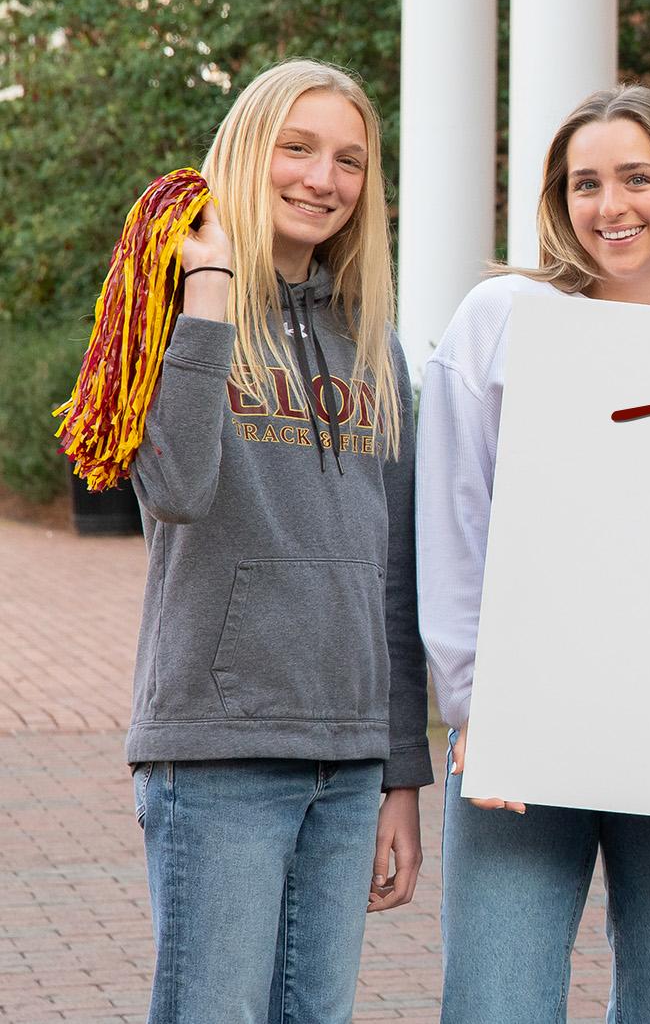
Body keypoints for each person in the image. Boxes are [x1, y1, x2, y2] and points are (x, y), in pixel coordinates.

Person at [416, 86, 650, 1023]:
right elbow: (455, 520)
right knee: (498, 1004)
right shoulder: (502, 318)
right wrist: (473, 704)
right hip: (527, 724)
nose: (612, 206)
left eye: (638, 178)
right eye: (586, 183)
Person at [127, 58, 430, 1023]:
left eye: (349, 160)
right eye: (296, 149)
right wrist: (211, 290)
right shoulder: (172, 312)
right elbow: (175, 491)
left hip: (348, 758)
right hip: (221, 749)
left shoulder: (372, 342)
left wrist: (400, 773)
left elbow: (394, 572)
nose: (322, 179)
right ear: (247, 153)